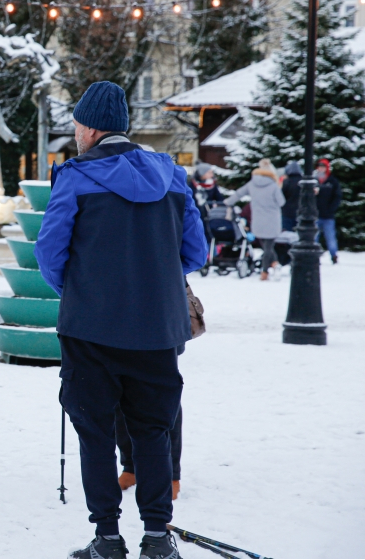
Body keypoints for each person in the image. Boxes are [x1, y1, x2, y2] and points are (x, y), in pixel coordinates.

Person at [34, 81, 207, 559]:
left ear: (89, 128)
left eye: (75, 125)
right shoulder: (171, 174)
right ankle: (157, 537)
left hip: (91, 330)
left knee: (94, 432)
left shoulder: (74, 176)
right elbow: (195, 251)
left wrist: (86, 290)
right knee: (152, 430)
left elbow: (49, 254)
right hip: (157, 329)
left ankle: (107, 538)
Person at [225, 159, 285, 280]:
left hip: (257, 220)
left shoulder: (252, 184)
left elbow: (238, 194)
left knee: (266, 246)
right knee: (269, 246)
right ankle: (266, 271)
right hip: (272, 220)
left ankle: (273, 265)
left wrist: (227, 202)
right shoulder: (273, 186)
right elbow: (281, 202)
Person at [314, 159, 342, 264]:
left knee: (330, 237)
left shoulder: (332, 181)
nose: (321, 168)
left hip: (328, 215)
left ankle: (333, 255)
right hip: (316, 214)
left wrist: (331, 209)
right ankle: (315, 255)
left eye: (323, 166)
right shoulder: (314, 180)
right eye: (319, 166)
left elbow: (337, 196)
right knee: (314, 237)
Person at [280, 161, 303, 232]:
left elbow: (281, 197)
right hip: (300, 212)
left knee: (287, 234)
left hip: (287, 212)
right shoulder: (303, 182)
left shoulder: (286, 182)